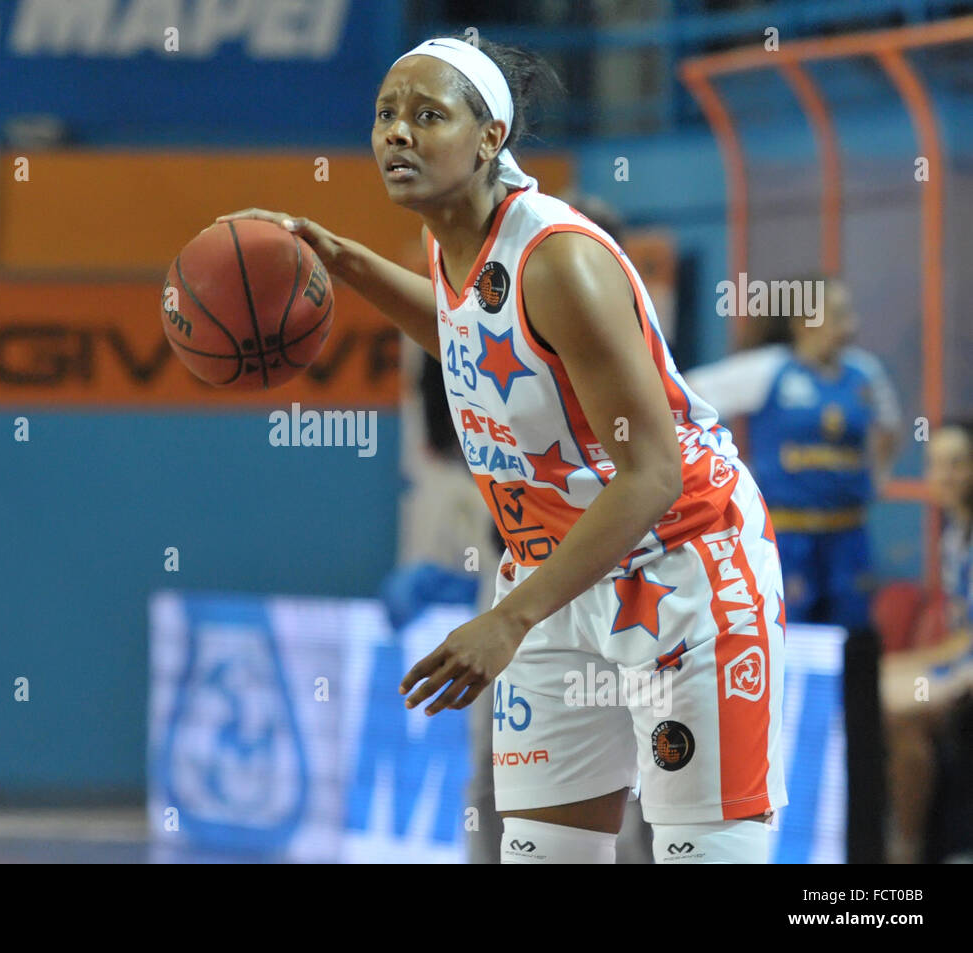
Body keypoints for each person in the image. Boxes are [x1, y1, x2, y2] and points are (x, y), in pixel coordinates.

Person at [216, 35, 785, 863]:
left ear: (491, 138)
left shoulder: (560, 261)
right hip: (558, 574)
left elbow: (654, 472)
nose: (397, 133)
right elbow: (467, 334)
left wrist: (506, 619)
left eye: (427, 115)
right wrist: (343, 263)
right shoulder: (454, 249)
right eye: (385, 115)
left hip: (681, 565)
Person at [684, 279, 902, 630]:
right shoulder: (767, 369)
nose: (853, 323)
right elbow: (687, 394)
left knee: (855, 633)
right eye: (840, 314)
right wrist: (724, 471)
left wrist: (879, 476)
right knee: (789, 631)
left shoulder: (865, 372)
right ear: (806, 321)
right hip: (787, 534)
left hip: (849, 533)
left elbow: (890, 426)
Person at [883, 421, 973, 863]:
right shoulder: (955, 537)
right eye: (936, 464)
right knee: (869, 689)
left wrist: (951, 680)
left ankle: (907, 847)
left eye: (957, 464)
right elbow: (962, 637)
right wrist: (904, 665)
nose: (944, 475)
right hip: (961, 662)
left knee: (901, 713)